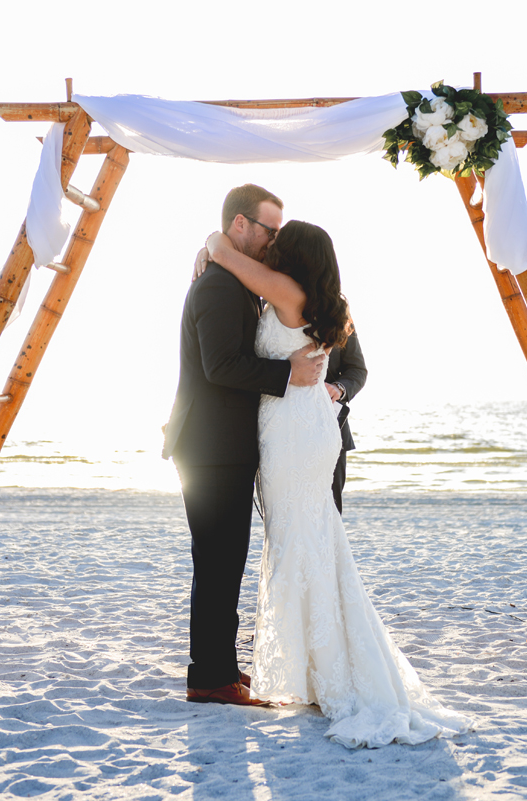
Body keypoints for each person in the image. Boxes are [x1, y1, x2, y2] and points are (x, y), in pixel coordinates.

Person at [205, 222, 471, 748]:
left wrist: (211, 245)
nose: (271, 249)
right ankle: (318, 668)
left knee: (297, 546)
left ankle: (325, 674)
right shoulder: (324, 302)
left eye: (280, 244)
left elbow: (226, 255)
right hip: (306, 431)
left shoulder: (286, 292)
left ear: (296, 257)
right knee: (312, 544)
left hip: (294, 434)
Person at [162, 185, 326, 707]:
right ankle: (210, 680)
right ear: (239, 225)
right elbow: (220, 366)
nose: (274, 240)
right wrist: (290, 374)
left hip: (223, 445)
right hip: (211, 448)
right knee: (216, 564)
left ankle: (222, 671)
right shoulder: (216, 287)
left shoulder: (233, 279)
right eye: (268, 229)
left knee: (225, 561)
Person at [324, 330, 366, 514]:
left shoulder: (338, 309)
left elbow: (357, 369)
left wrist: (339, 388)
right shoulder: (263, 305)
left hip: (331, 429)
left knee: (330, 514)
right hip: (275, 427)